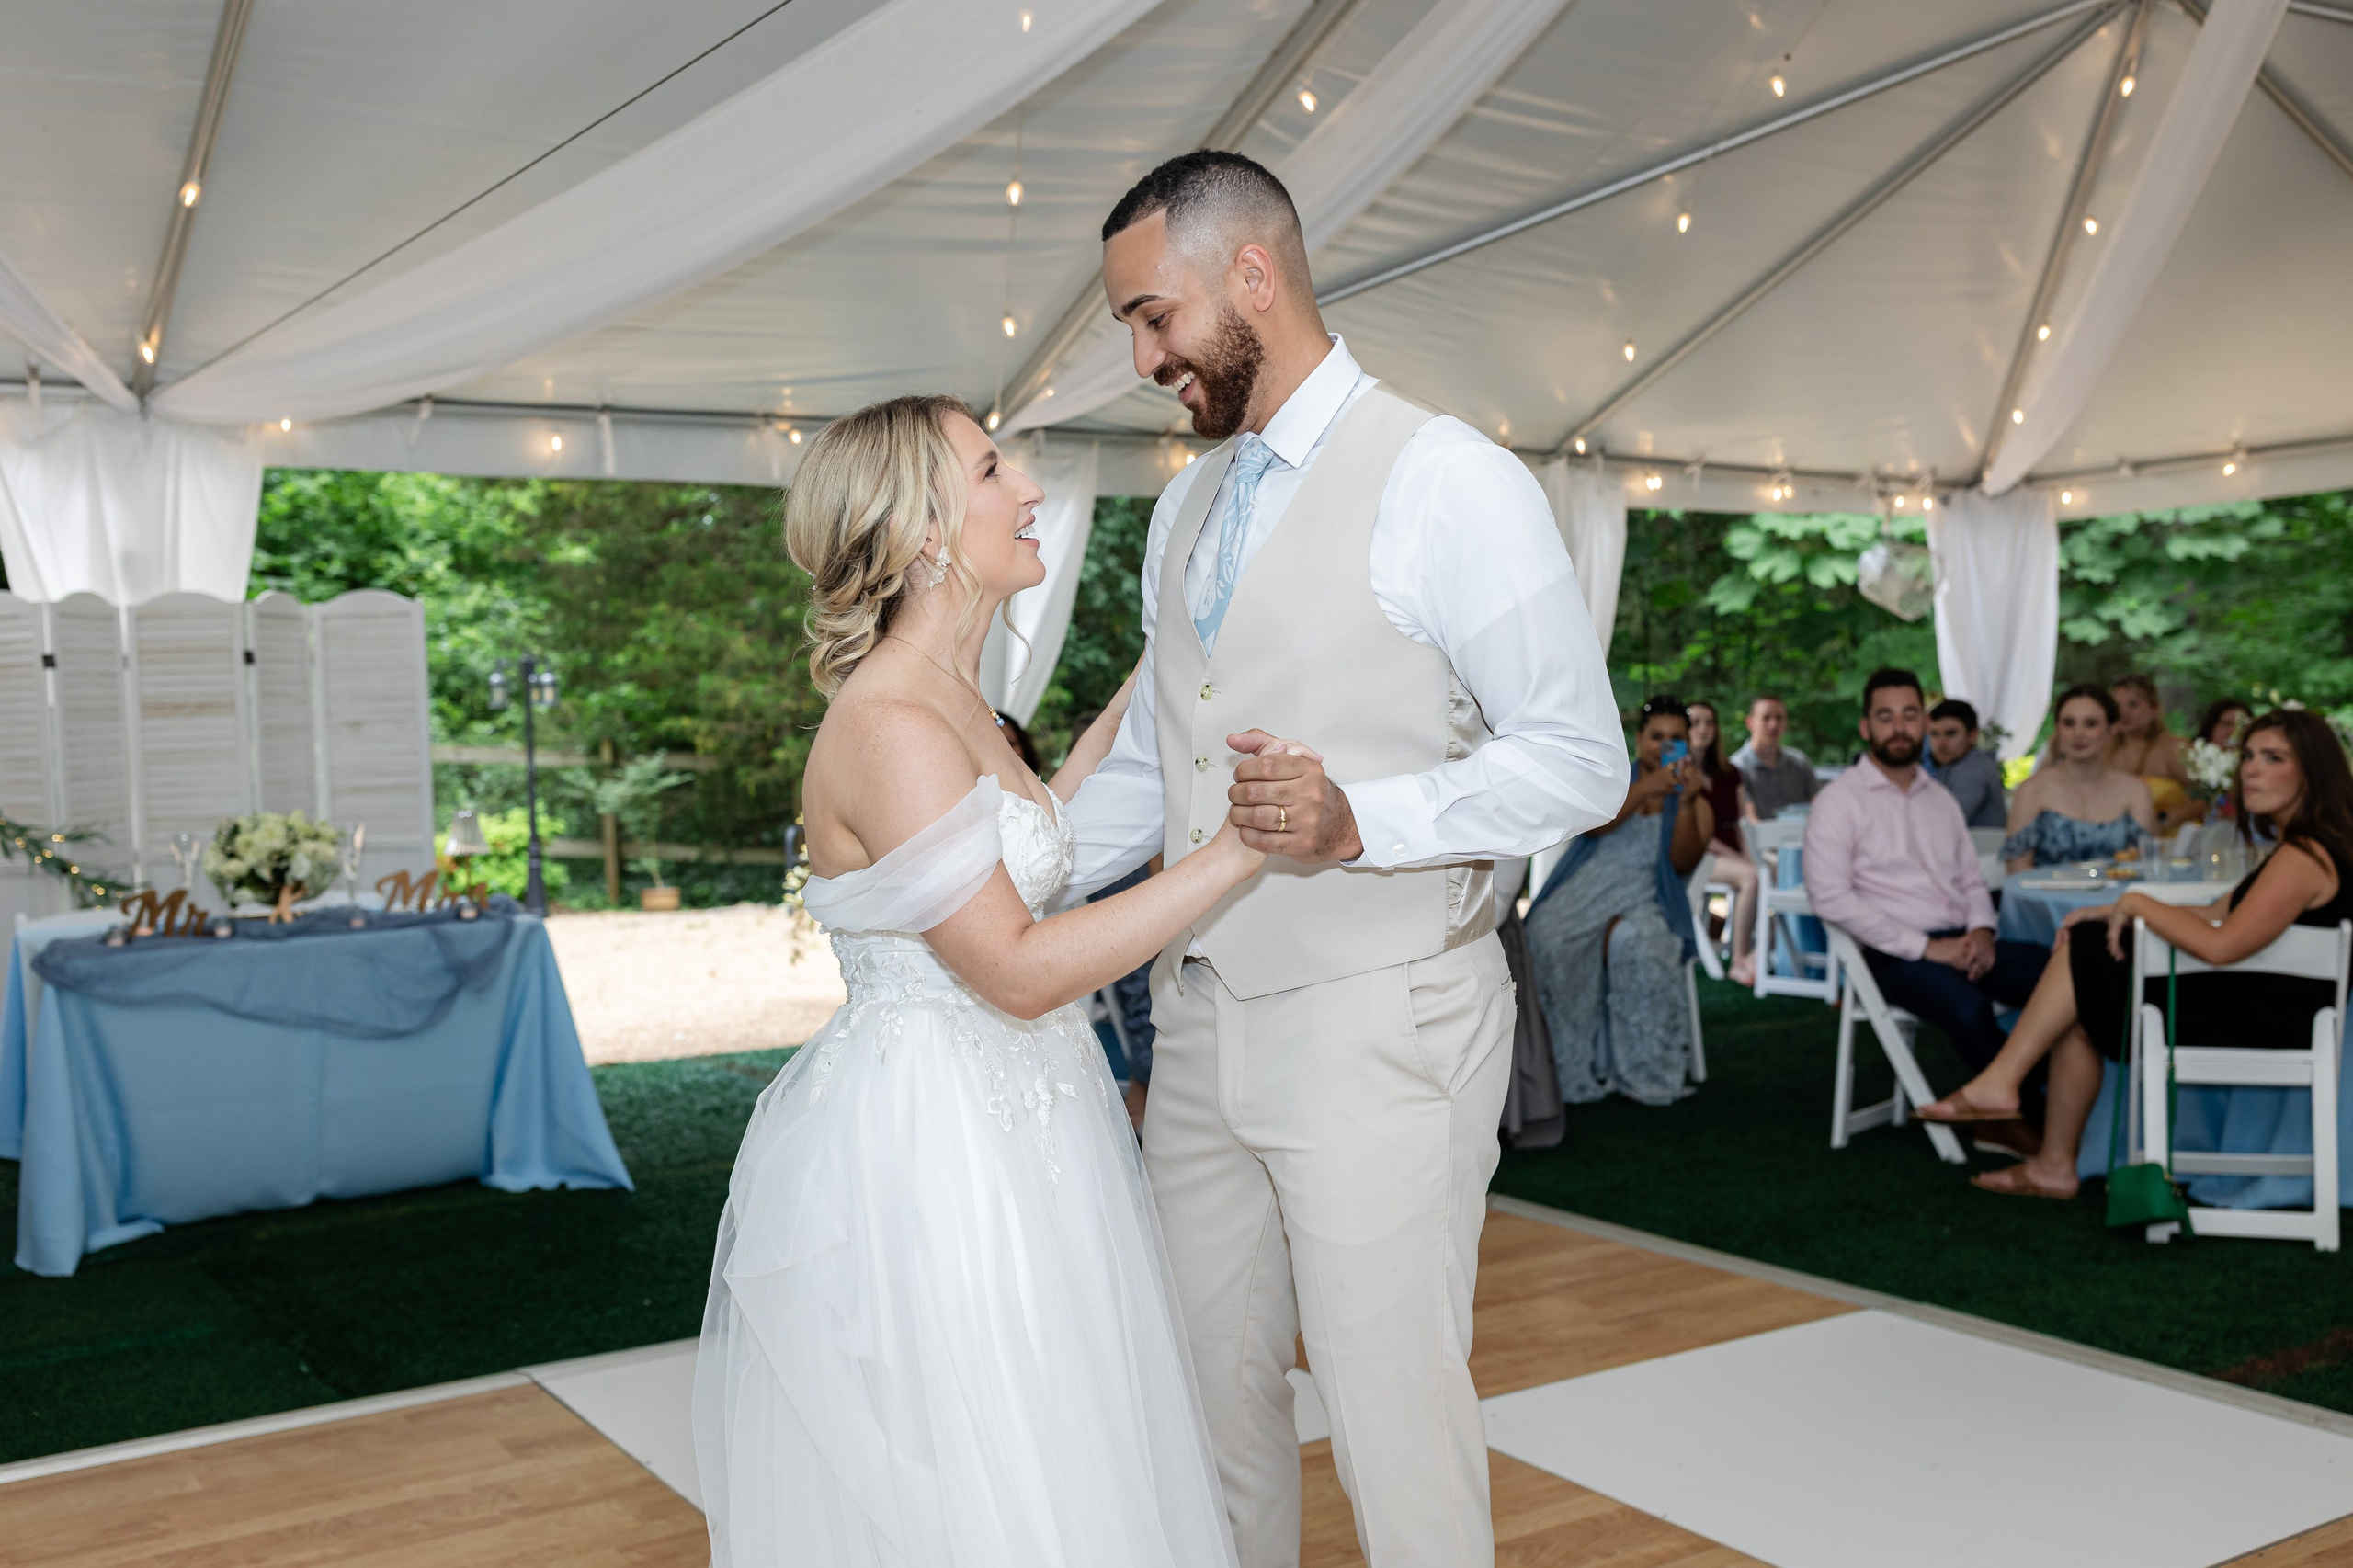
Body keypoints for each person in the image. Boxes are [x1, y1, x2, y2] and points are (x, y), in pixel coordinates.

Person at [1062, 150, 1628, 1568]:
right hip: (1192, 1028)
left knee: (1394, 1420)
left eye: (1152, 316)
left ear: (1253, 276)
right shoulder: (1183, 511)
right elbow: (1161, 761)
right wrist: (1008, 880)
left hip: (1387, 1023)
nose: (1141, 356)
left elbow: (1580, 759)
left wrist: (1360, 818)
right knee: (1210, 1407)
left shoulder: (1448, 481)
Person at [693, 395, 1268, 1566]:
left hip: (1026, 1117)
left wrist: (1182, 650)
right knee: (989, 1467)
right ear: (920, 533)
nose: (1031, 489)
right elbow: (1009, 965)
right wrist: (1238, 852)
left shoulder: (952, 697)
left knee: (1069, 1444)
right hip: (940, 1148)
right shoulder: (891, 723)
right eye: (992, 468)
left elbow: (1047, 820)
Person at [1918, 709, 2353, 1199]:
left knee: (2087, 964)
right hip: (2268, 1008)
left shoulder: (2305, 856)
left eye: (2273, 759)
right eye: (2248, 756)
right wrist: (2111, 910)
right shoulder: (2312, 847)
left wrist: (2136, 902)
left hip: (2263, 1019)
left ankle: (2004, 1088)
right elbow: (2215, 911)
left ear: (2313, 771)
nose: (2250, 769)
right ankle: (2049, 1159)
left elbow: (2220, 945)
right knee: (2086, 978)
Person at [1804, 671, 2047, 1093]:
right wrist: (1929, 948)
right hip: (1893, 953)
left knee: (2056, 975)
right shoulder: (1838, 801)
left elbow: (1972, 880)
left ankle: (2054, 1102)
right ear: (1866, 728)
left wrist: (1982, 932)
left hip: (1964, 941)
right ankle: (2025, 1115)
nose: (1899, 728)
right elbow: (1829, 898)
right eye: (1885, 716)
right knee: (1969, 1009)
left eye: (1910, 715)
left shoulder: (1940, 799)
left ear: (1923, 723)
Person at [1526, 697, 1711, 1105]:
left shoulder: (1697, 797)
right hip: (1591, 886)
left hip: (1648, 894)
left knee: (1641, 942)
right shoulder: (1611, 782)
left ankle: (1645, 1071)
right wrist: (1649, 786)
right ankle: (1569, 1067)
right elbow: (1593, 830)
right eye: (1656, 737)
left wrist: (1684, 802)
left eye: (1675, 739)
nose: (1664, 746)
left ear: (1688, 744)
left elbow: (1682, 862)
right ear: (1639, 739)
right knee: (1545, 935)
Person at [2002, 685, 2157, 871]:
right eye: (2069, 723)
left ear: (2111, 731)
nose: (2078, 733)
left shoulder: (2136, 791)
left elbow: (2144, 864)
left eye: (2090, 724)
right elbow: (2017, 867)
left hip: (2117, 899)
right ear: (2057, 729)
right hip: (2045, 898)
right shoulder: (2031, 790)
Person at [1685, 699, 1757, 984]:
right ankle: (1739, 960)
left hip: (1732, 851)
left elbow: (1741, 821)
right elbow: (1697, 832)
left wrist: (1750, 854)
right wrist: (1742, 861)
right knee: (1751, 877)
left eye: (1709, 722)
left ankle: (1764, 952)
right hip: (1700, 853)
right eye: (1695, 722)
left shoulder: (1730, 773)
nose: (1703, 729)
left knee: (1771, 872)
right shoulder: (1678, 773)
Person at [2109, 674, 2197, 831]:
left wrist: (2164, 819)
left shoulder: (2175, 748)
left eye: (2133, 705)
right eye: (2117, 706)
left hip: (2170, 842)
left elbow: (2208, 798)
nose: (2123, 712)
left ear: (2154, 709)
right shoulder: (2104, 750)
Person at [1925, 698, 2008, 830]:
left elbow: (1945, 823)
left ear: (1972, 735)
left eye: (1950, 733)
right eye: (1934, 734)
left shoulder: (1976, 770)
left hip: (1983, 850)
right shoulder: (1952, 764)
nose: (1941, 743)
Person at [1730, 694, 1818, 818]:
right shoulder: (1737, 767)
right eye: (1766, 718)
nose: (1773, 725)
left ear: (1786, 723)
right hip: (1760, 836)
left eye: (1779, 718)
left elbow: (1819, 808)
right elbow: (1749, 820)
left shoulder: (1800, 762)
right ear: (1750, 722)